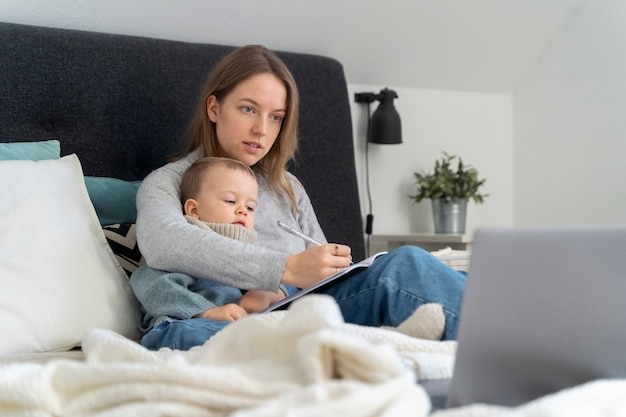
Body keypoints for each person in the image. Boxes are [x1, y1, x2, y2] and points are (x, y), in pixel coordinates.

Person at [132, 44, 466, 351]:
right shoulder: (169, 183)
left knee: (406, 267)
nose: (262, 130)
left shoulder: (287, 187)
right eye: (249, 109)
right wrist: (285, 268)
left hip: (297, 312)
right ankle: (365, 343)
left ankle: (495, 337)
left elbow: (326, 279)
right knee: (202, 337)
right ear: (214, 108)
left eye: (275, 117)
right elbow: (163, 243)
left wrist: (310, 275)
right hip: (217, 322)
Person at [130, 157, 293, 336]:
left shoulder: (251, 256)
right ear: (194, 210)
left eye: (250, 207)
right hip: (182, 324)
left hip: (235, 327)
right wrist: (205, 311)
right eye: (231, 201)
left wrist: (271, 292)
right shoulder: (182, 250)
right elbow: (151, 286)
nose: (243, 211)